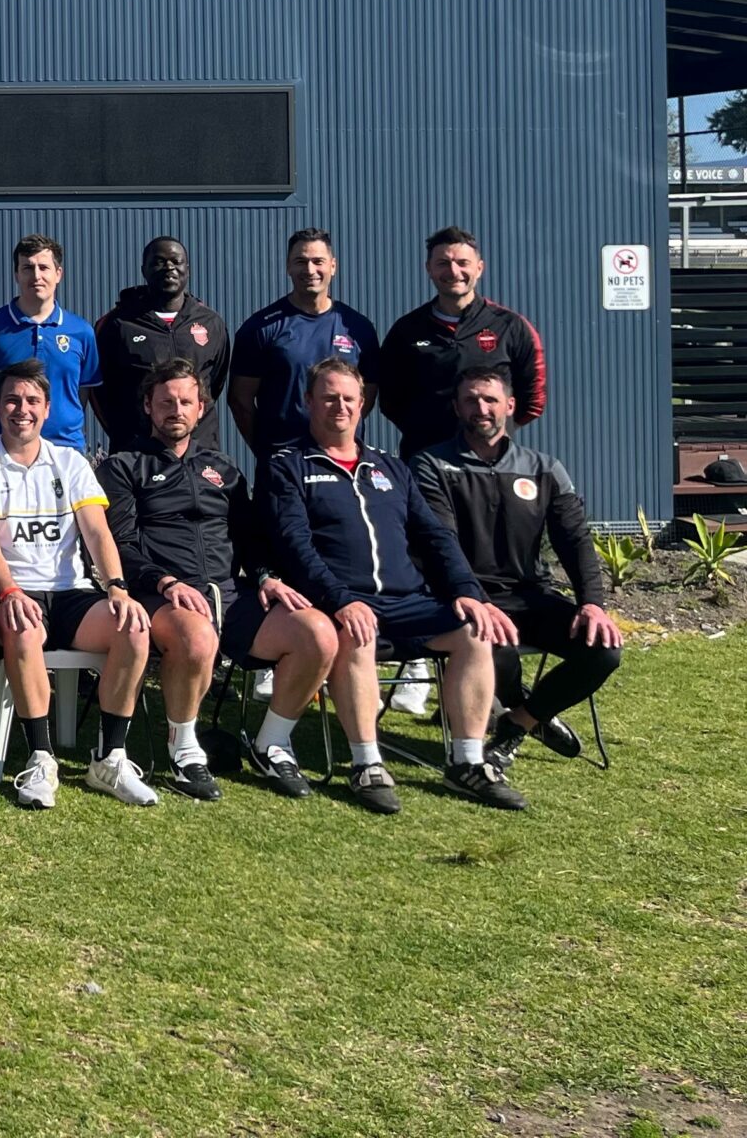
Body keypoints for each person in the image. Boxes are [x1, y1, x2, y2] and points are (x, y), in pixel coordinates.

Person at [259, 357, 529, 812]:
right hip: (343, 603)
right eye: (328, 397)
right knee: (357, 632)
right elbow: (294, 547)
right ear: (308, 402)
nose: (338, 406)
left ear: (362, 404)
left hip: (409, 602)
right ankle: (366, 763)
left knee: (473, 631)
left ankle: (467, 761)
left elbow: (435, 536)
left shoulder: (390, 467)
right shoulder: (288, 465)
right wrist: (340, 601)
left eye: (348, 398)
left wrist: (468, 591)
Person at [99, 359, 336, 801]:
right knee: (197, 637)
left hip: (230, 596)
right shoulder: (124, 466)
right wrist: (166, 582)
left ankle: (272, 744)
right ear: (148, 406)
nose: (176, 409)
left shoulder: (224, 470)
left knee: (318, 634)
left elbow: (249, 537)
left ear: (202, 408)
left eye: (186, 401)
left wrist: (265, 576)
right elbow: (121, 546)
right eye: (165, 401)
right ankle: (185, 748)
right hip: (161, 599)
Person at [0, 362, 158, 810]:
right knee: (22, 628)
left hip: (71, 591)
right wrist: (10, 592)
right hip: (14, 590)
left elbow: (97, 532)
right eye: (12, 399)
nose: (22, 409)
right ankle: (40, 758)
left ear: (48, 409)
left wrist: (117, 587)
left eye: (32, 401)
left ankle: (109, 758)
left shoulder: (70, 461)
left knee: (133, 628)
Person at [411, 366, 623, 764]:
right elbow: (440, 543)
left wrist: (592, 603)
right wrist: (475, 599)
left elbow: (575, 539)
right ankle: (522, 706)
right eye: (471, 399)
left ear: (509, 406)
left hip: (532, 597)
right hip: (465, 602)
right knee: (497, 650)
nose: (481, 408)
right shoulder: (431, 465)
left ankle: (520, 721)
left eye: (490, 399)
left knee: (603, 651)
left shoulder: (545, 468)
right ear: (456, 407)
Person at [380, 227, 549, 460]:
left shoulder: (511, 326)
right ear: (428, 268)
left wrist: (492, 430)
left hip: (491, 463)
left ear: (479, 268)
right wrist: (426, 429)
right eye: (443, 263)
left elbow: (534, 399)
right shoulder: (406, 330)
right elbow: (390, 400)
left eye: (463, 263)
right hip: (424, 460)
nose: (454, 271)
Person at [228, 228, 383, 462]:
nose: (310, 270)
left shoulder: (358, 328)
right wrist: (266, 452)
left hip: (343, 461)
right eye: (300, 261)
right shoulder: (259, 328)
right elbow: (240, 400)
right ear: (288, 267)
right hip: (283, 460)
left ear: (333, 266)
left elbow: (367, 395)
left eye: (317, 261)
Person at [92, 238, 231, 458]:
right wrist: (127, 431)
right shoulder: (116, 324)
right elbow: (99, 392)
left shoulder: (211, 323)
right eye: (159, 262)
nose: (169, 268)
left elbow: (214, 382)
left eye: (177, 261)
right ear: (143, 270)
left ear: (188, 269)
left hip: (200, 451)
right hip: (138, 453)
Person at [0, 236, 100, 451]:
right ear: (16, 274)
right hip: (3, 450)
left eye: (44, 268)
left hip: (66, 449)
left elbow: (83, 390)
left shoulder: (81, 331)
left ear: (58, 274)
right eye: (27, 268)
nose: (36, 276)